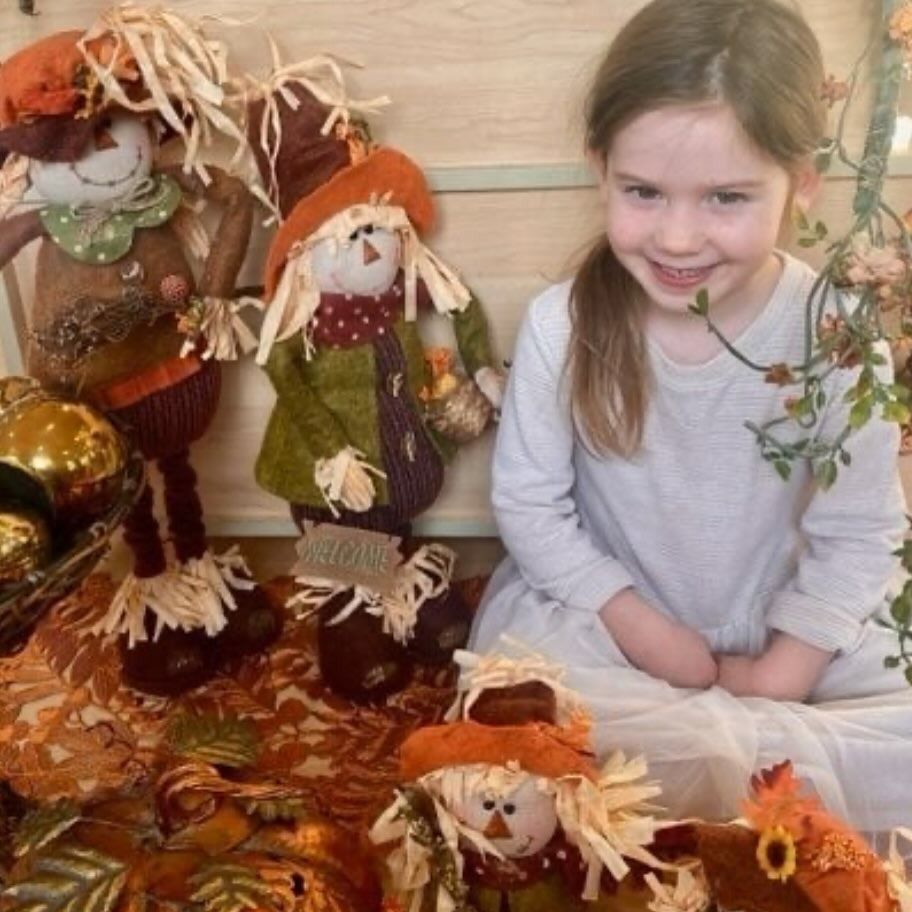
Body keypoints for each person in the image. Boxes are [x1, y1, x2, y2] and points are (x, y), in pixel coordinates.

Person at [469, 0, 912, 835]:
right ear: (599, 168)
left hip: (795, 623)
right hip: (608, 623)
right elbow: (531, 505)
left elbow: (860, 533)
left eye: (726, 198)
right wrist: (637, 625)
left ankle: (760, 767)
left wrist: (787, 668)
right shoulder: (564, 324)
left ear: (802, 184)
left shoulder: (835, 333)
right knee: (518, 743)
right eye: (643, 192)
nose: (677, 238)